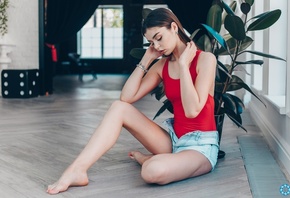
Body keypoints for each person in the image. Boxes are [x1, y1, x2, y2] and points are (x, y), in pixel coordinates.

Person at [47, 7, 218, 195]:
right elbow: (126, 98)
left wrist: (184, 66)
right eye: (152, 42)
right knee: (118, 108)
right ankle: (77, 170)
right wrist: (146, 59)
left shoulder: (206, 60)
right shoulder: (162, 65)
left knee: (152, 171)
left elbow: (192, 111)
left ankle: (148, 160)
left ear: (174, 28)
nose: (157, 46)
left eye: (159, 38)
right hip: (173, 140)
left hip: (200, 147)